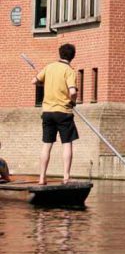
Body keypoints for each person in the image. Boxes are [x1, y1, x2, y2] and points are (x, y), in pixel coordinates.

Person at [33, 43, 78, 185]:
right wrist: (73, 102)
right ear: (72, 56)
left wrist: (44, 83)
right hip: (63, 112)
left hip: (47, 112)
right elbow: (73, 92)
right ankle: (66, 177)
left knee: (47, 144)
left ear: (60, 54)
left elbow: (34, 81)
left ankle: (42, 177)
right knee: (67, 144)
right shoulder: (69, 71)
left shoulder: (49, 67)